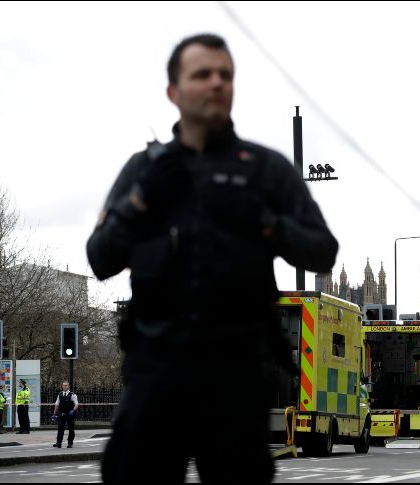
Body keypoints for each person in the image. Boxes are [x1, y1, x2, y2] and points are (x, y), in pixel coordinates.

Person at [87, 33, 338, 483]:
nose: (217, 83)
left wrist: (266, 223)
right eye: (202, 74)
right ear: (174, 91)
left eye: (226, 75)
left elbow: (323, 250)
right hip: (157, 368)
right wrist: (141, 201)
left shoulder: (263, 169)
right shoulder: (145, 170)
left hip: (236, 373)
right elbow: (100, 258)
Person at [52, 381, 79, 448]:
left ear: (69, 386)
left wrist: (73, 410)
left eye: (66, 385)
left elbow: (76, 404)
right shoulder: (60, 394)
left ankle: (70, 443)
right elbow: (57, 404)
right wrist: (54, 413)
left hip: (70, 414)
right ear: (62, 386)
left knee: (71, 428)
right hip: (62, 413)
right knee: (60, 428)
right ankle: (59, 443)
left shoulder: (72, 395)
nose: (65, 387)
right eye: (64, 385)